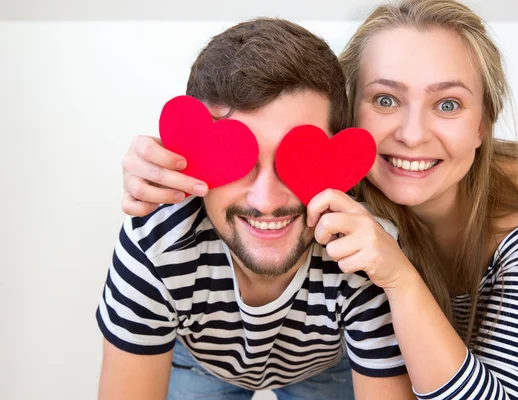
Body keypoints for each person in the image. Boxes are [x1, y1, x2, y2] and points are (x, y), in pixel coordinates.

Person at [120, 0, 518, 399]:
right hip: (401, 373)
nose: (411, 136)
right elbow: (244, 134)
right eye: (386, 99)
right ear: (348, 121)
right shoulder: (328, 181)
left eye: (448, 104)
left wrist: (398, 277)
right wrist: (158, 165)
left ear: (481, 124)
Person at [97, 17, 414, 400]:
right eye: (236, 158)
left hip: (327, 365)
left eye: (299, 160)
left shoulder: (365, 252)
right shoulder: (155, 245)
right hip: (202, 363)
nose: (266, 201)